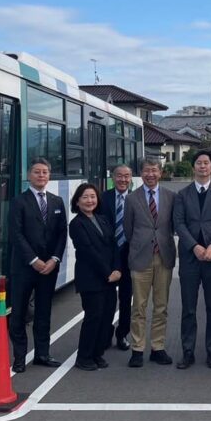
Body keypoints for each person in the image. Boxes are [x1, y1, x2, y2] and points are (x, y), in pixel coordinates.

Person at [8, 158, 68, 373]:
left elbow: (62, 233)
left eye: (44, 172)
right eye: (36, 172)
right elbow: (16, 234)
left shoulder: (57, 202)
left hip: (49, 268)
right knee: (19, 314)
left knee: (44, 313)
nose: (41, 176)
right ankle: (19, 357)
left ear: (49, 176)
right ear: (29, 175)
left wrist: (55, 259)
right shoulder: (18, 202)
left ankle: (43, 353)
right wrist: (33, 260)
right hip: (25, 267)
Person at [173, 150, 211, 369]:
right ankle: (187, 351)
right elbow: (179, 223)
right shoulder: (183, 194)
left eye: (206, 163)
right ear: (193, 167)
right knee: (188, 308)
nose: (202, 166)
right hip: (190, 258)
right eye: (199, 163)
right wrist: (195, 246)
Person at [123, 158, 177, 367]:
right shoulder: (131, 199)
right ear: (141, 174)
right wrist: (140, 244)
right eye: (146, 171)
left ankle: (158, 347)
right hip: (140, 257)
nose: (150, 175)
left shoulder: (171, 197)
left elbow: (173, 225)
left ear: (160, 173)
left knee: (161, 306)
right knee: (139, 306)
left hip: (164, 256)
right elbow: (128, 229)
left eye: (154, 171)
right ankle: (137, 349)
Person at [69, 182, 121, 371]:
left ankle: (97, 353)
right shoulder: (76, 224)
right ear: (77, 201)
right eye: (85, 197)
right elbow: (88, 251)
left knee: (107, 317)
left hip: (110, 277)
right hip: (91, 279)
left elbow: (114, 245)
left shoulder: (103, 219)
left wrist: (117, 269)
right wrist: (108, 272)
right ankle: (84, 357)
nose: (90, 200)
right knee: (93, 317)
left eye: (92, 197)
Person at [100, 164, 133, 351]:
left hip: (129, 257)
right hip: (108, 257)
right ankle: (105, 334)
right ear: (113, 177)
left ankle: (122, 334)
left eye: (126, 176)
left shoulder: (136, 199)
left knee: (126, 299)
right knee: (107, 299)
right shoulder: (102, 199)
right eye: (119, 176)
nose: (123, 180)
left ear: (131, 178)